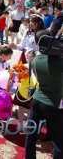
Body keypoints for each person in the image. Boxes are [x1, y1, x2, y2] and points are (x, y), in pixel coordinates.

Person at [25, 30, 63, 159]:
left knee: (31, 134)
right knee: (59, 141)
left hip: (37, 100)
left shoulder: (35, 60)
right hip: (54, 104)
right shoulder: (60, 62)